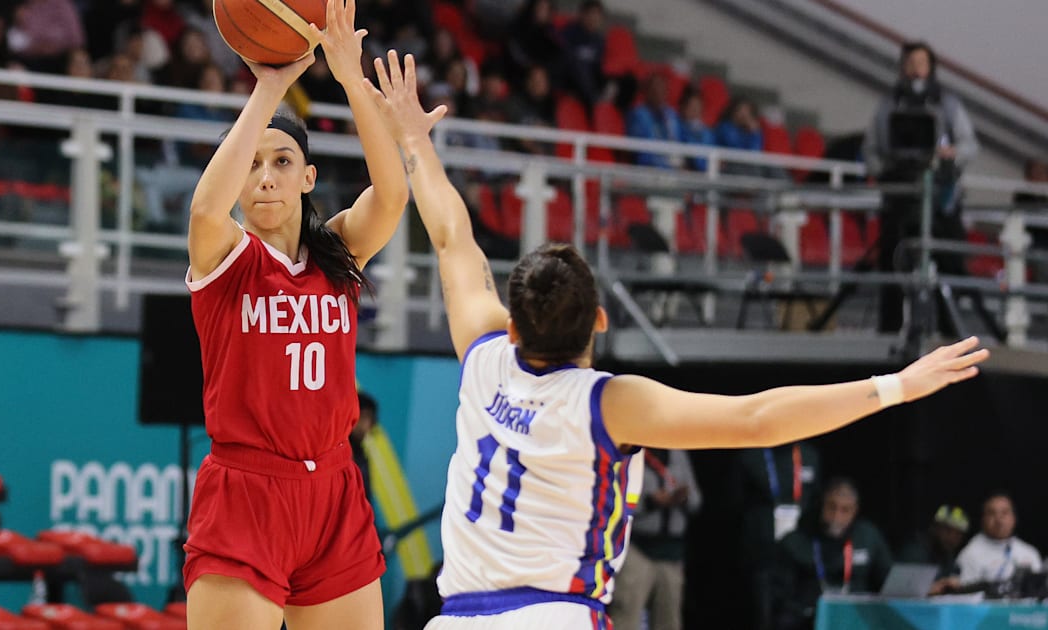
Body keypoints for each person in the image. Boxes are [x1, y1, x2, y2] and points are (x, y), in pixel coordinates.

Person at [363, 50, 988, 629]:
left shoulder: (482, 353)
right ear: (600, 322)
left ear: (514, 322)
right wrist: (896, 385)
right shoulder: (609, 402)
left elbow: (451, 237)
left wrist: (413, 139)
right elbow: (757, 419)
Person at [181, 0, 409, 627]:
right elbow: (205, 211)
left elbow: (392, 195)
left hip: (333, 489)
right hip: (245, 492)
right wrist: (271, 85)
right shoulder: (227, 257)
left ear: (308, 177)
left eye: (282, 163)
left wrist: (349, 78)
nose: (266, 178)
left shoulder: (336, 254)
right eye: (254, 163)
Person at [862, 41, 1001, 339]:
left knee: (949, 267)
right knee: (892, 266)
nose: (916, 69)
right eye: (911, 63)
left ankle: (952, 335)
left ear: (931, 67)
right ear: (903, 66)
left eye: (922, 63)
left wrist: (950, 154)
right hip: (899, 197)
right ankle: (888, 332)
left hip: (941, 201)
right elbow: (871, 149)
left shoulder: (947, 103)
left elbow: (969, 145)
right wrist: (883, 170)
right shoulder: (888, 104)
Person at [771, 479, 892, 630]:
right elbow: (781, 596)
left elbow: (887, 578)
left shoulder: (867, 536)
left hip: (855, 618)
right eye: (832, 507)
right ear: (822, 505)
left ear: (855, 511)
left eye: (845, 510)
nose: (836, 516)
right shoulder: (797, 541)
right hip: (809, 619)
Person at [608, 449, 701, 630]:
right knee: (626, 616)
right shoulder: (631, 451)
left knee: (669, 621)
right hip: (637, 549)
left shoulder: (678, 454)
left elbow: (697, 500)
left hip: (671, 554)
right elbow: (615, 504)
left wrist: (683, 497)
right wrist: (651, 502)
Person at [732, 441, 820, 630]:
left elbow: (815, 501)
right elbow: (735, 502)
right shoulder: (752, 456)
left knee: (797, 617)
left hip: (799, 556)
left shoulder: (809, 455)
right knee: (763, 617)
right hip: (762, 554)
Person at [953, 492, 1042, 589]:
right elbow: (966, 596)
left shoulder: (1030, 552)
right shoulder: (969, 554)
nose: (999, 519)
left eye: (1005, 513)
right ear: (983, 520)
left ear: (1014, 518)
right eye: (992, 513)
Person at [897, 504, 969, 592]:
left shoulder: (947, 555)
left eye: (958, 534)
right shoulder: (915, 551)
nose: (952, 538)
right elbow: (899, 590)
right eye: (947, 530)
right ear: (934, 527)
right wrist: (927, 589)